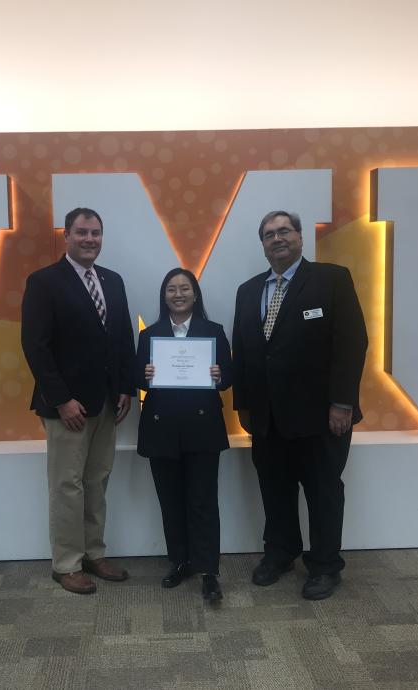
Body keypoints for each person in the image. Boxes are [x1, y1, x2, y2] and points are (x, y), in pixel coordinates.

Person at [232, 210, 367, 600]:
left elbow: (352, 343)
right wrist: (243, 405)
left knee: (323, 491)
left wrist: (342, 402)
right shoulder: (248, 290)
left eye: (284, 231)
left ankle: (325, 566)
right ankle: (280, 552)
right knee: (274, 489)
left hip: (322, 416)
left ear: (300, 237)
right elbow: (244, 350)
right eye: (269, 234)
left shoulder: (331, 280)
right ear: (262, 244)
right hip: (267, 417)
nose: (277, 238)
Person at [21, 207, 137, 595]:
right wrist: (61, 400)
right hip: (66, 408)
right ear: (66, 236)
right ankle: (67, 563)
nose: (90, 239)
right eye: (82, 232)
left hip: (106, 402)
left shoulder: (113, 281)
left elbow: (122, 338)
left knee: (96, 480)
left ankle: (93, 552)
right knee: (67, 485)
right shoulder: (44, 282)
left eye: (96, 233)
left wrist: (126, 388)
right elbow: (35, 347)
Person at [136, 268, 232, 602]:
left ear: (195, 294)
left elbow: (229, 377)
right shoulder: (150, 336)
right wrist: (144, 373)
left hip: (202, 428)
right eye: (171, 289)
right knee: (171, 501)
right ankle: (180, 562)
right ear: (164, 296)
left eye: (184, 288)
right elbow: (136, 376)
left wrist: (220, 373)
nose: (178, 294)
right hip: (161, 429)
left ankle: (209, 571)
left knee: (203, 502)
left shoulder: (214, 332)